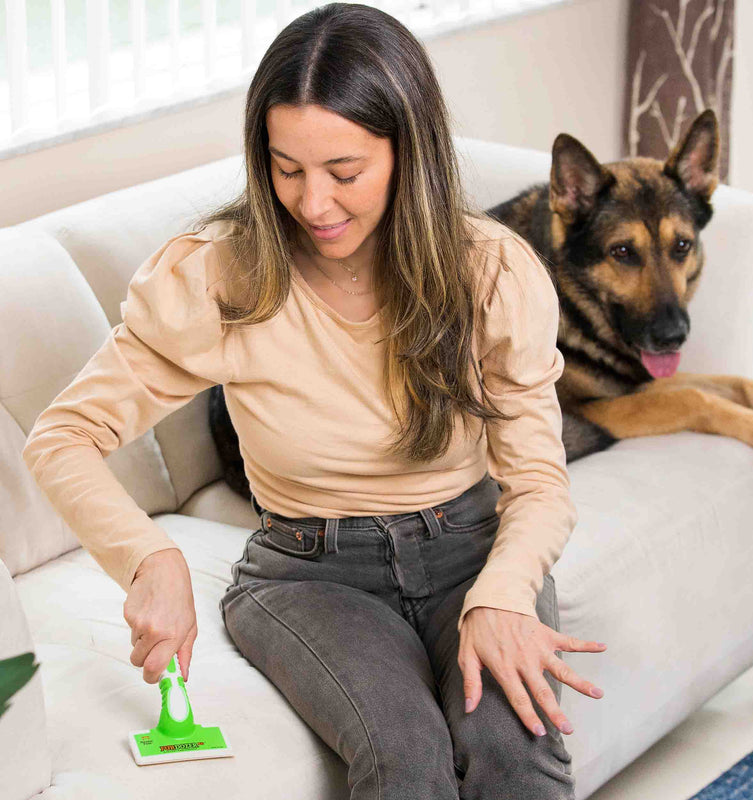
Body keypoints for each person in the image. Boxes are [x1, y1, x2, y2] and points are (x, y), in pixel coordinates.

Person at [21, 3, 607, 797]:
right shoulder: (221, 278)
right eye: (286, 168)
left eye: (345, 172)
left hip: (474, 546)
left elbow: (538, 481)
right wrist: (148, 557)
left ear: (411, 154)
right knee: (405, 758)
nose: (314, 204)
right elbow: (61, 436)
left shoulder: (491, 275)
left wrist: (503, 595)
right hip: (310, 574)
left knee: (515, 748)